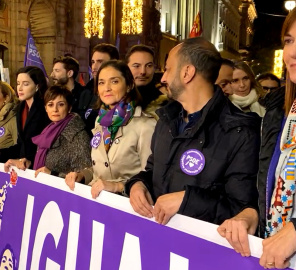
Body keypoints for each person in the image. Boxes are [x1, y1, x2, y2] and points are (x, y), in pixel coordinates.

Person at [125, 37, 260, 229]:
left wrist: (187, 200)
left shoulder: (240, 132)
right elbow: (153, 171)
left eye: (168, 69)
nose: (163, 78)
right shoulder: (166, 121)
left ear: (187, 72)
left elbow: (240, 210)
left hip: (199, 252)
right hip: (158, 239)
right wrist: (138, 185)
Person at [219, 10, 296, 268]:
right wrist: (251, 216)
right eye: (288, 41)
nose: (292, 52)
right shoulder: (278, 115)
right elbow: (269, 186)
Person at [65, 60, 156, 199]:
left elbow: (152, 177)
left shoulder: (145, 125)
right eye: (101, 82)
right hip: (98, 204)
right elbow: (100, 170)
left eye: (114, 81)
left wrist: (118, 186)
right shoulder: (100, 121)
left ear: (129, 85)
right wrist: (83, 175)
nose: (106, 88)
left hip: (127, 206)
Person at [32, 85, 91, 178]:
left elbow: (84, 175)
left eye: (61, 104)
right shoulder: (47, 131)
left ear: (69, 108)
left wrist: (53, 174)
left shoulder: (77, 135)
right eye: (50, 105)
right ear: (46, 108)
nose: (55, 109)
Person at [1, 66, 51, 172]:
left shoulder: (45, 109)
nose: (19, 88)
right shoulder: (20, 108)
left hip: (41, 168)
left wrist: (29, 160)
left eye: (25, 84)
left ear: (37, 86)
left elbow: (45, 144)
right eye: (18, 83)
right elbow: (21, 144)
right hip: (24, 168)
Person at [81, 44, 120, 131]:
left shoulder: (119, 93)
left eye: (100, 62)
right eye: (93, 62)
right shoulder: (86, 91)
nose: (94, 67)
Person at [125, 45, 168, 119]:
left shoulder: (164, 105)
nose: (143, 72)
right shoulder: (116, 99)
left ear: (154, 68)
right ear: (126, 68)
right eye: (136, 66)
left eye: (148, 66)